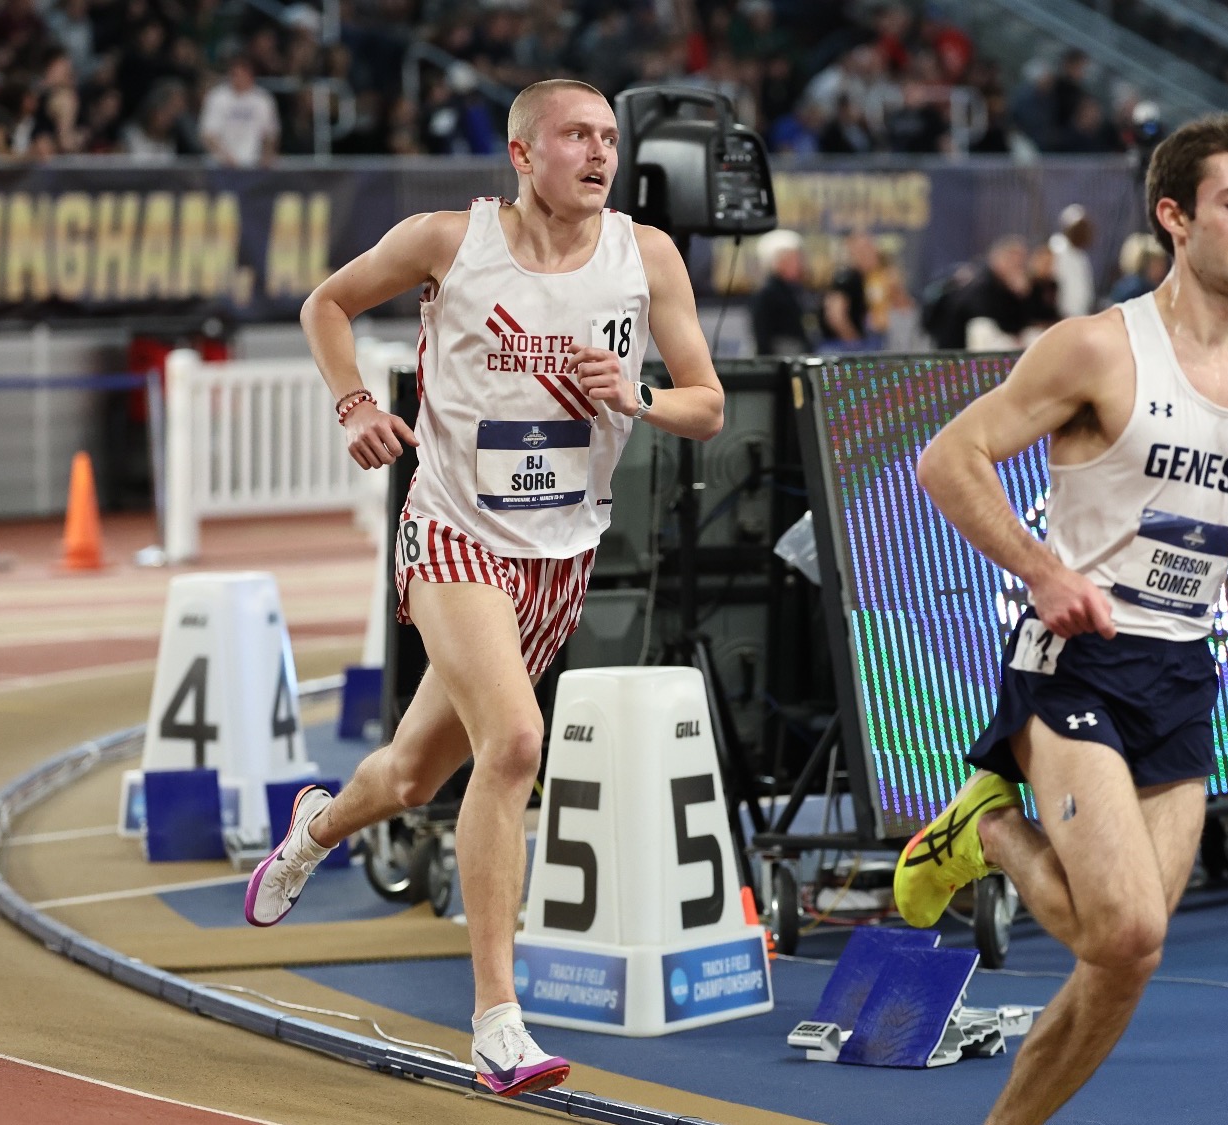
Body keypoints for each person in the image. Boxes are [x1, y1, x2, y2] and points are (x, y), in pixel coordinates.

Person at [894, 114, 1228, 1125]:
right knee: (1121, 932)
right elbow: (944, 460)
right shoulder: (1093, 348)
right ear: (1173, 216)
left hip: (1179, 679)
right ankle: (985, 825)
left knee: (1122, 963)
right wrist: (1040, 569)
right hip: (1074, 664)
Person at [243, 78, 723, 1098]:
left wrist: (636, 398)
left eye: (607, 137)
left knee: (413, 778)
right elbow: (323, 303)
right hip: (453, 534)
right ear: (521, 154)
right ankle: (497, 1019)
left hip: (560, 553)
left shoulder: (645, 256)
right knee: (512, 742)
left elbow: (708, 404)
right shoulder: (445, 241)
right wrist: (354, 404)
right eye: (575, 137)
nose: (598, 154)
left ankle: (315, 829)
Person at [199, 55, 279, 168]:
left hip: (253, 164)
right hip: (221, 164)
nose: (239, 78)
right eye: (235, 75)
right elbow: (208, 134)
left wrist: (266, 158)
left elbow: (270, 134)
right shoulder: (217, 97)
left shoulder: (263, 100)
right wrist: (226, 158)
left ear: (251, 75)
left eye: (243, 74)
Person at [749, 228, 817, 356]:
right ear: (778, 262)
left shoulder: (797, 290)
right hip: (782, 358)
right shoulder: (766, 293)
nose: (799, 263)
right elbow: (762, 336)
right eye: (793, 258)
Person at [1048, 204, 1096, 320]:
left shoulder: (1082, 256)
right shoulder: (1056, 249)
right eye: (1080, 229)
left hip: (1080, 316)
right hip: (1060, 318)